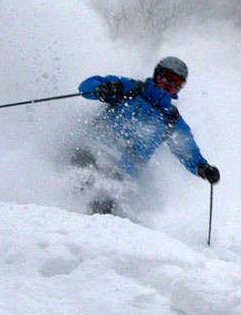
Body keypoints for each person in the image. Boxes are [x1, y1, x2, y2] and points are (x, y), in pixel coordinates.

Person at [73, 56, 220, 216]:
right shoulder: (132, 90)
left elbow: (187, 150)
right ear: (158, 75)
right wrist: (102, 87)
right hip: (93, 152)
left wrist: (203, 168)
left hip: (121, 174)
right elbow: (86, 86)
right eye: (169, 80)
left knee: (102, 209)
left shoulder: (170, 119)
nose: (170, 86)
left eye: (177, 84)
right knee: (78, 181)